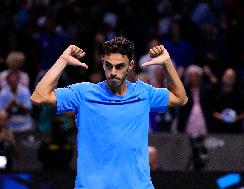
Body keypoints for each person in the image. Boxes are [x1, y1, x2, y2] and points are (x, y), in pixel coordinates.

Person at [30, 36, 188, 189]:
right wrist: (62, 60)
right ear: (102, 63)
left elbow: (180, 98)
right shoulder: (84, 93)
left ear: (130, 65)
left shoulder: (144, 93)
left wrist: (167, 63)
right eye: (108, 65)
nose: (113, 72)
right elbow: (39, 97)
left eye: (120, 66)